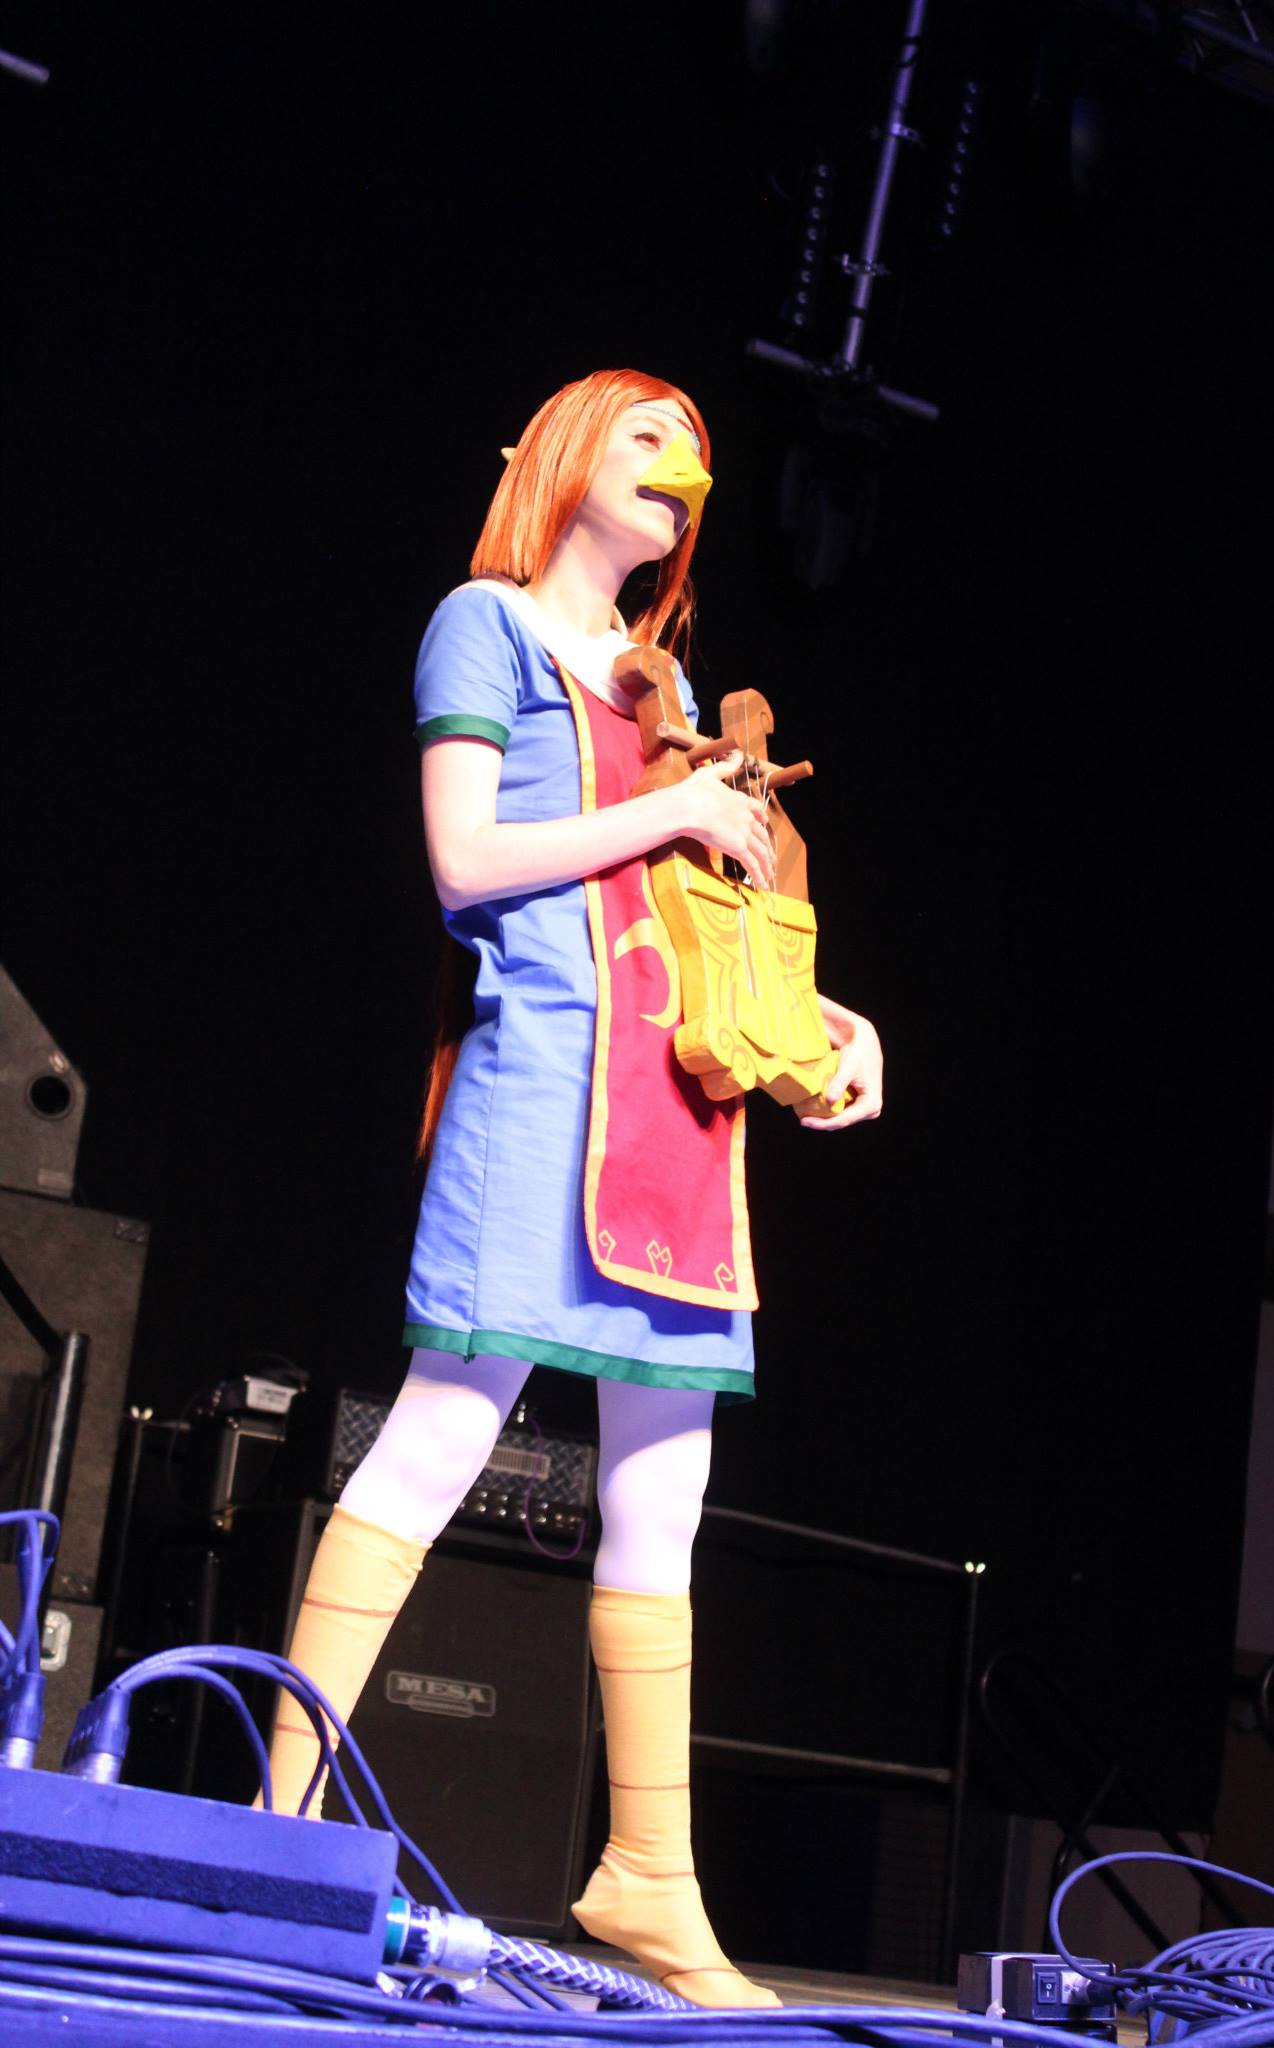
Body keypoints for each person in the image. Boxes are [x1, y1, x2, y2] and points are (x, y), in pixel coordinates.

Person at [262, 368, 883, 2008]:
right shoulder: (483, 625)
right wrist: (672, 802)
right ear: (559, 456)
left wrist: (824, 1019)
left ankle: (650, 1880)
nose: (682, 467)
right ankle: (276, 1830)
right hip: (545, 1085)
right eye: (644, 437)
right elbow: (464, 862)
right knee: (440, 1435)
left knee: (663, 1493)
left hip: (680, 1120)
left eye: (696, 452)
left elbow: (688, 921)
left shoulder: (662, 684)